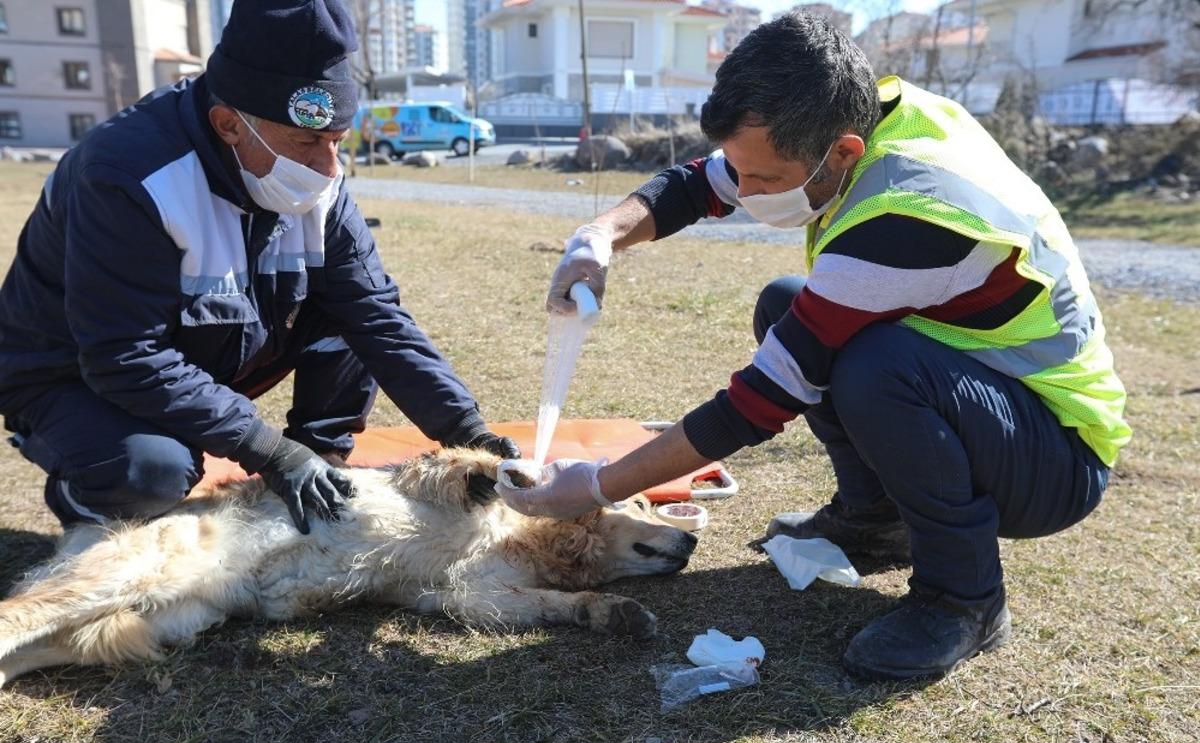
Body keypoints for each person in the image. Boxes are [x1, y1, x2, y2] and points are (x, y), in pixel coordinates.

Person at [499, 13, 1130, 681]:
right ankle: (875, 521)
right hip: (993, 395)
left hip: (1056, 455)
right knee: (785, 302)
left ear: (846, 152)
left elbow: (755, 405)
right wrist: (597, 238)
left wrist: (594, 486)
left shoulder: (909, 216)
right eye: (743, 174)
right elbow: (694, 185)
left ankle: (965, 601)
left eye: (765, 181)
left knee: (870, 365)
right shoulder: (856, 117)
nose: (744, 194)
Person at [0, 0, 517, 535]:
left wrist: (467, 431)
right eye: (306, 143)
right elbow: (121, 354)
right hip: (74, 374)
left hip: (205, 351)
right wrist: (269, 450)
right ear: (228, 125)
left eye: (337, 141)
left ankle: (319, 468)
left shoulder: (315, 181)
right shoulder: (127, 177)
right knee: (150, 472)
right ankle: (87, 498)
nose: (327, 168)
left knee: (348, 318)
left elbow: (375, 316)